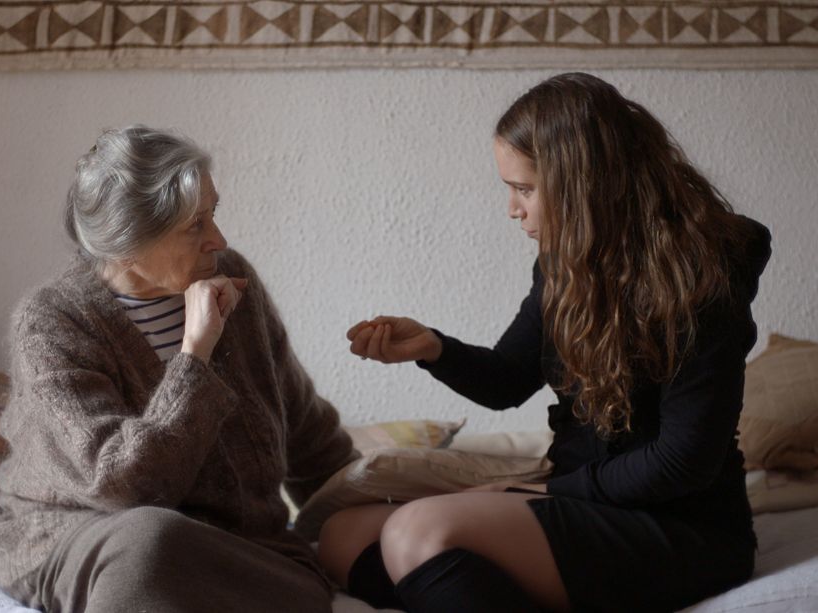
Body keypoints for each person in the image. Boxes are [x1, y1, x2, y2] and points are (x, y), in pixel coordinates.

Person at [317, 72, 771, 613]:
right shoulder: (564, 266)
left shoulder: (702, 276)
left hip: (679, 526)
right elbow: (508, 380)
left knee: (415, 531)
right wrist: (432, 348)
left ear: (584, 183)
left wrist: (544, 493)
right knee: (342, 535)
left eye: (525, 189)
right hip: (588, 500)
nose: (513, 208)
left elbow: (681, 462)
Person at [0, 125, 358, 613]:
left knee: (304, 585)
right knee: (148, 544)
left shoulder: (232, 280)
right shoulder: (52, 322)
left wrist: (374, 498)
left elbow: (304, 427)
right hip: (83, 537)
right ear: (126, 245)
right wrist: (195, 354)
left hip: (238, 546)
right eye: (195, 226)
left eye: (213, 213)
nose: (218, 239)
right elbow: (124, 485)